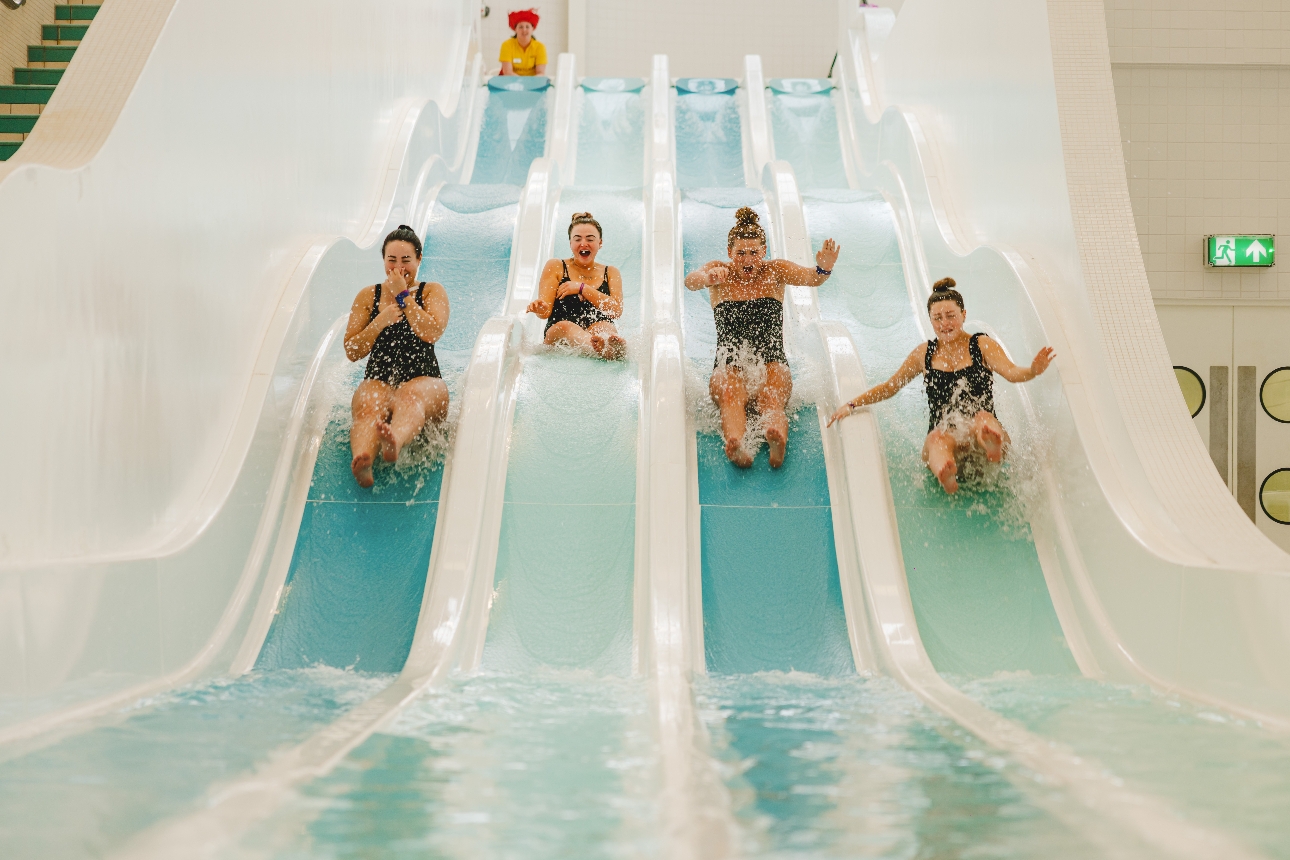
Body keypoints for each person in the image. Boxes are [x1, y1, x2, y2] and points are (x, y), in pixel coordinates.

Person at [827, 277, 1055, 494]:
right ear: (930, 320)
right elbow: (890, 387)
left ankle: (991, 446)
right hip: (948, 437)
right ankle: (945, 470)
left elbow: (1012, 372)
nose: (945, 324)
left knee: (982, 419)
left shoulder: (981, 345)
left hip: (981, 435)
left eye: (950, 315)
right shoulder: (924, 354)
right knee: (938, 438)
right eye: (937, 318)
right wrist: (852, 403)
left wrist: (1033, 371)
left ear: (963, 315)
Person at [684, 207, 840, 469]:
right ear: (729, 253)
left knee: (771, 396)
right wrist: (708, 277)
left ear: (764, 250)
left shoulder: (775, 271)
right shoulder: (719, 272)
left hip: (772, 362)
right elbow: (691, 281)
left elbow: (811, 278)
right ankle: (736, 444)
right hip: (728, 364)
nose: (747, 259)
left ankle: (776, 439)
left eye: (754, 252)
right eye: (740, 253)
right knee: (730, 392)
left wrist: (823, 268)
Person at [344, 225, 451, 488]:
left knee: (408, 396)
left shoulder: (431, 291)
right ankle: (363, 458)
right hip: (380, 379)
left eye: (406, 260)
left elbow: (431, 332)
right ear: (383, 261)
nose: (398, 267)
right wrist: (379, 322)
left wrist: (404, 296)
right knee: (370, 406)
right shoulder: (368, 295)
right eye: (391, 260)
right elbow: (352, 351)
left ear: (419, 260)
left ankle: (395, 439)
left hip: (425, 381)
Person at [527, 212, 627, 360]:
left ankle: (607, 345)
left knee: (605, 327)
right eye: (577, 239)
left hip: (595, 328)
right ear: (570, 243)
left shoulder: (610, 272)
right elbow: (545, 313)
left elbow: (615, 311)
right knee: (566, 327)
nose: (583, 244)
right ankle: (602, 348)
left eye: (590, 239)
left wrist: (582, 288)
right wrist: (540, 308)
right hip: (560, 333)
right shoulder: (556, 266)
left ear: (600, 243)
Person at [499, 9, 547, 77]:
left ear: (532, 29)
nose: (524, 30)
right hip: (511, 82)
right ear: (515, 29)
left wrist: (529, 84)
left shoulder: (540, 47)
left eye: (527, 27)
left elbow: (540, 73)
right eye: (521, 27)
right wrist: (522, 82)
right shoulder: (507, 45)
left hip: (532, 83)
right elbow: (507, 72)